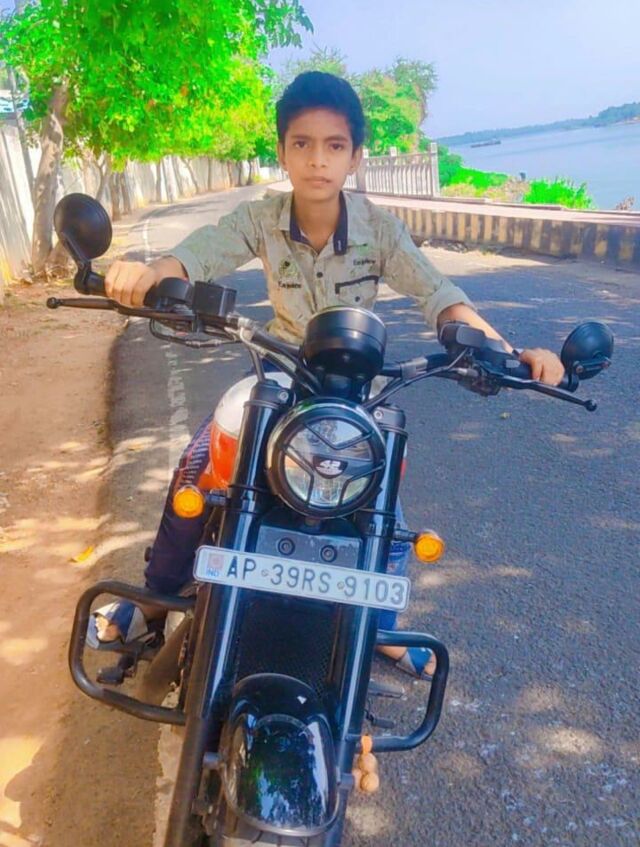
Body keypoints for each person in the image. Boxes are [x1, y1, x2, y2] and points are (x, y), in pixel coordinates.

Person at [92, 72, 564, 679]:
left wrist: (507, 349)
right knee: (200, 461)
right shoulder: (261, 219)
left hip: (352, 391)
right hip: (279, 374)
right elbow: (200, 251)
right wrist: (152, 273)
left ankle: (378, 626)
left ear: (355, 155)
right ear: (283, 151)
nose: (318, 160)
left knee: (384, 506)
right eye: (303, 143)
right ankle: (156, 596)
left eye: (334, 145)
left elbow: (439, 294)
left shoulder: (380, 229)